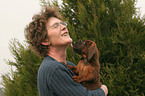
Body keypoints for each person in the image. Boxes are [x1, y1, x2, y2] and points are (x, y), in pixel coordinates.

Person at [25, 6, 108, 96]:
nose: (64, 27)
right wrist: (103, 90)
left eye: (63, 23)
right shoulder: (54, 69)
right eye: (56, 26)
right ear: (45, 41)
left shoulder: (66, 66)